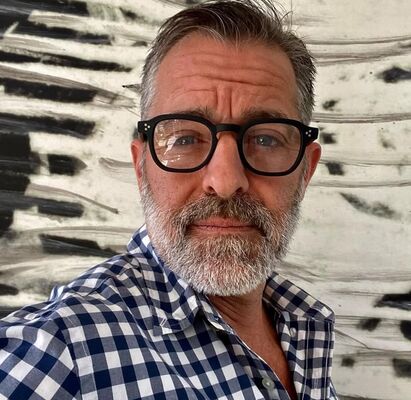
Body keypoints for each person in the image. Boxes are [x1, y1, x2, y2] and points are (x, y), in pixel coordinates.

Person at [0, 1, 338, 399]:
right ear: (141, 166)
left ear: (306, 170)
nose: (225, 182)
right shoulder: (58, 351)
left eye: (265, 139)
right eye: (186, 139)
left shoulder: (303, 326)